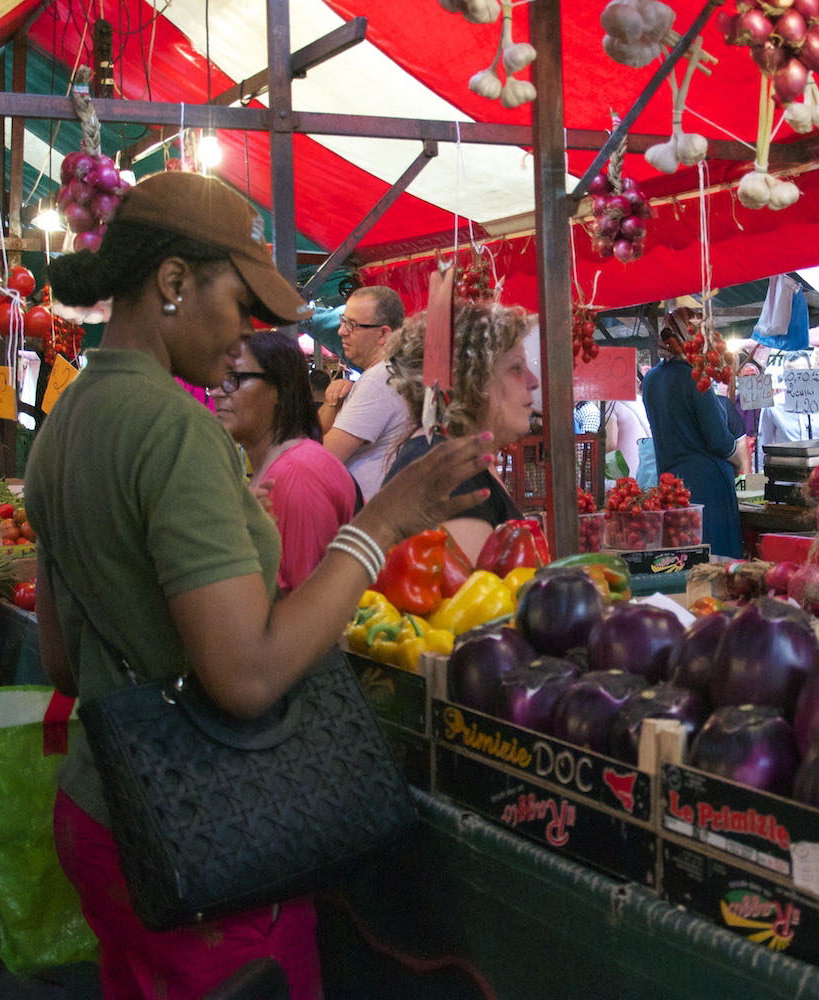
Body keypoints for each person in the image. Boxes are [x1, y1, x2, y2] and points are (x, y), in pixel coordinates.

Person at [26, 172, 489, 1000]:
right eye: (239, 301)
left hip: (103, 811)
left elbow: (64, 664)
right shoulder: (175, 430)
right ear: (173, 282)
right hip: (202, 833)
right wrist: (378, 525)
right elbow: (245, 675)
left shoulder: (66, 423)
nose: (246, 330)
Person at [383, 298, 540, 564]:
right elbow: (472, 601)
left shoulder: (449, 456)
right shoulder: (450, 473)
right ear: (471, 380)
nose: (533, 382)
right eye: (516, 368)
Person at [212, 330, 359, 595]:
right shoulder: (283, 467)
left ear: (280, 388)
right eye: (215, 379)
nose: (215, 392)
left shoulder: (295, 474)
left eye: (233, 379)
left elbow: (307, 604)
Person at [643, 307, 744, 558]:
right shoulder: (695, 376)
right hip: (707, 488)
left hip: (670, 485)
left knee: (680, 562)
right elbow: (718, 439)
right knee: (713, 563)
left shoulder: (651, 379)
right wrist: (737, 456)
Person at [320, 285, 413, 500]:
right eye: (343, 321)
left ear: (382, 334)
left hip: (370, 517)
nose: (341, 331)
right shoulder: (385, 374)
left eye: (351, 325)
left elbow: (324, 458)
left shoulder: (379, 380)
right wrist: (333, 403)